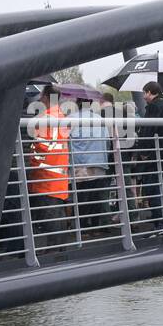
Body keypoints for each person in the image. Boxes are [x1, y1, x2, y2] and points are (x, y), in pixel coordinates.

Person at [25, 85, 71, 252]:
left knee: (49, 214)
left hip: (45, 175)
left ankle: (53, 251)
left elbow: (38, 146)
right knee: (57, 212)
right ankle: (59, 248)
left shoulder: (43, 118)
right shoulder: (62, 116)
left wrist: (31, 162)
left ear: (45, 97)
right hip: (59, 172)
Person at [135, 81, 163, 225]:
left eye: (144, 93)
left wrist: (144, 152)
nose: (143, 96)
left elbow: (148, 130)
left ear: (149, 92)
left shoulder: (153, 107)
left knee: (153, 188)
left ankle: (159, 222)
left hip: (154, 153)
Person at [71, 96, 113, 230]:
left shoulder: (71, 118)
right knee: (96, 198)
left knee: (82, 197)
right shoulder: (99, 119)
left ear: (77, 103)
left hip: (81, 164)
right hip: (99, 163)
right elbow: (107, 139)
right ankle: (94, 227)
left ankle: (82, 228)